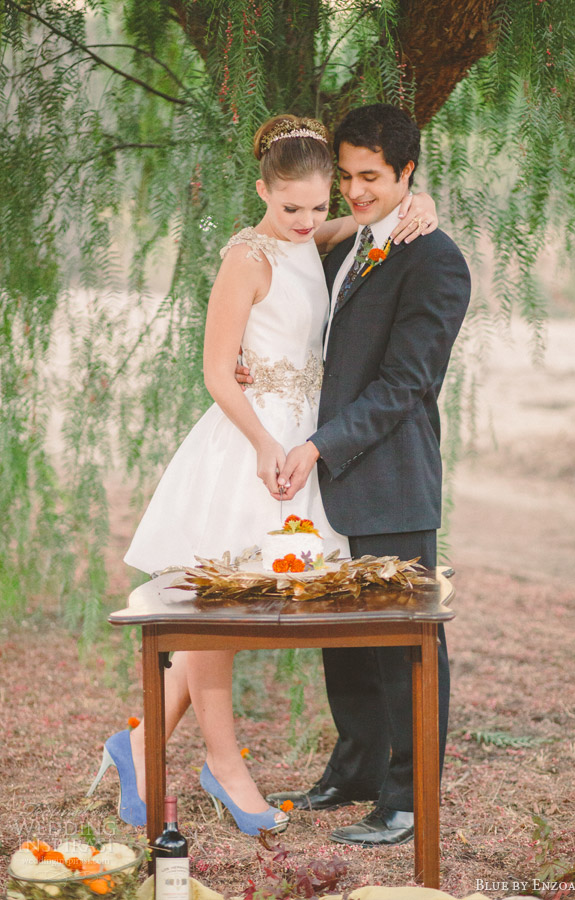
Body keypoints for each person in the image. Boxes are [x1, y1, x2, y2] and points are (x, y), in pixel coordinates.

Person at [87, 112, 438, 836]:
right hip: (255, 441)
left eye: (320, 205)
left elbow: (373, 223)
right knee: (218, 608)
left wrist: (423, 202)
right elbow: (218, 372)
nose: (308, 220)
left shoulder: (317, 237)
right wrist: (258, 444)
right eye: (292, 207)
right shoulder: (247, 256)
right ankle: (223, 763)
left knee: (255, 598)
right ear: (262, 192)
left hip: (309, 444)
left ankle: (140, 743)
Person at [262, 103, 471, 846]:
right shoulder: (344, 244)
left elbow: (405, 384)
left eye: (372, 178)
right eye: (346, 176)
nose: (354, 190)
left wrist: (317, 446)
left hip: (390, 478)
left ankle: (409, 797)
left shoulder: (435, 258)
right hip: (333, 481)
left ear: (408, 172)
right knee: (345, 638)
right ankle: (352, 772)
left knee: (404, 642)